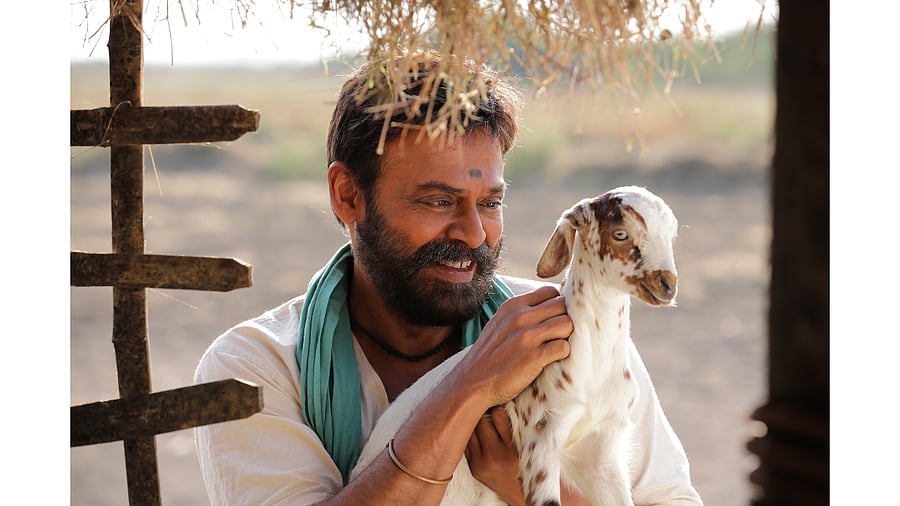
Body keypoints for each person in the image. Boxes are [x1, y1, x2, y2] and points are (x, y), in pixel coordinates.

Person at [194, 51, 704, 505]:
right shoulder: (254, 367)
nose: (474, 234)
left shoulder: (568, 336)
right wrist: (469, 388)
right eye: (438, 201)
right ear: (348, 195)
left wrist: (529, 485)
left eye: (491, 202)